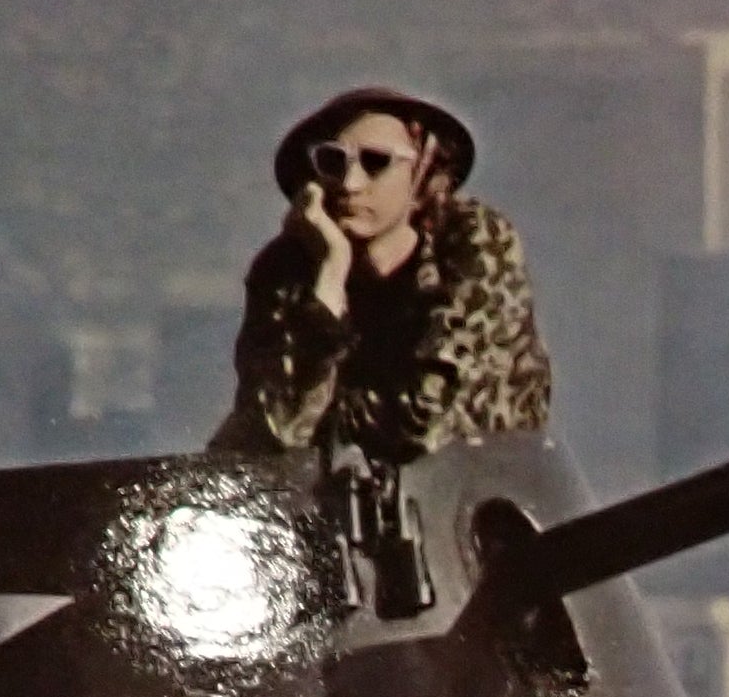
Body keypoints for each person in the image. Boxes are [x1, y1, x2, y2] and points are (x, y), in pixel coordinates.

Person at [215, 87, 553, 463]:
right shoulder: (284, 272)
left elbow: (427, 424)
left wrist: (336, 421)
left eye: (375, 162)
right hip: (334, 493)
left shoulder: (475, 242)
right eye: (332, 161)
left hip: (483, 484)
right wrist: (330, 279)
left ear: (423, 171)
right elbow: (272, 439)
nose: (350, 183)